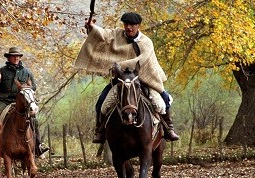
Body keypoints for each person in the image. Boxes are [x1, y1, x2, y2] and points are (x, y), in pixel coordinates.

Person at [74, 12, 180, 143]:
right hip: (121, 81)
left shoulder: (146, 42)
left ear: (138, 25)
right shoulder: (118, 34)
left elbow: (140, 61)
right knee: (102, 102)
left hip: (145, 80)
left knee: (163, 100)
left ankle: (169, 129)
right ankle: (99, 131)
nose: (129, 27)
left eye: (132, 25)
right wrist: (92, 28)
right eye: (126, 24)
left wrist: (117, 66)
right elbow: (104, 34)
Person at [0, 47, 49, 156]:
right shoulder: (1, 71)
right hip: (4, 101)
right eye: (14, 56)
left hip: (22, 101)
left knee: (34, 120)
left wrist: (25, 88)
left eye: (18, 56)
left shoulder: (27, 72)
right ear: (9, 58)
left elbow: (33, 87)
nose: (16, 58)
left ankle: (38, 146)